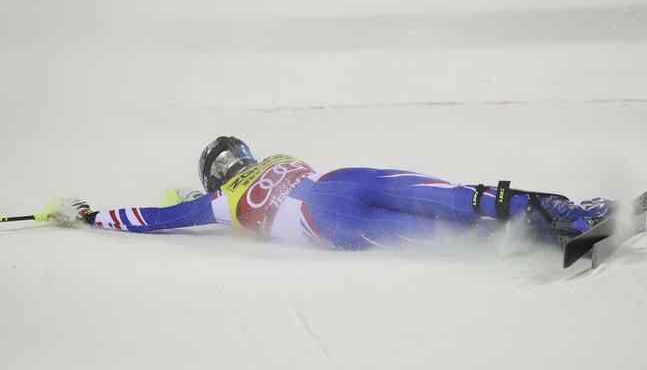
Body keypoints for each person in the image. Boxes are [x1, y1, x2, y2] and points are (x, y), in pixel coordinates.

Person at [47, 136, 613, 249]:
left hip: (329, 221)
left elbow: (161, 216)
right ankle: (552, 212)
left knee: (439, 227)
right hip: (339, 181)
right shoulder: (278, 157)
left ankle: (524, 232)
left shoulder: (222, 202)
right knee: (451, 197)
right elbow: (170, 206)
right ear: (242, 156)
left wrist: (90, 215)